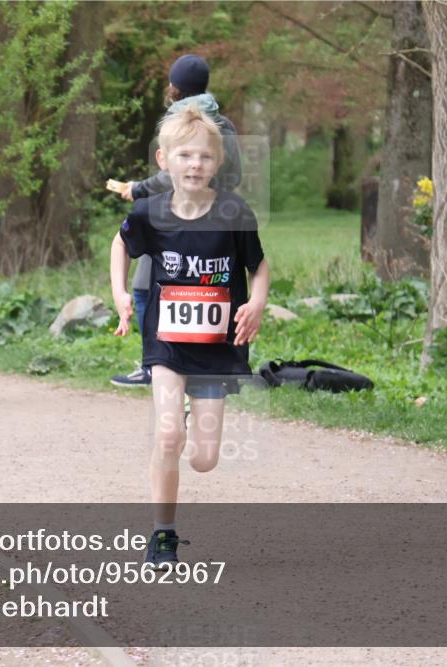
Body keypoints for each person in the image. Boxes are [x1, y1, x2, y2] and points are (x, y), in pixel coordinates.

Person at [110, 107, 269, 566]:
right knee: (165, 436)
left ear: (216, 164)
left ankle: (182, 421)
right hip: (167, 343)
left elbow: (258, 266)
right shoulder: (149, 212)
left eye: (203, 156)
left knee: (203, 459)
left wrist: (256, 301)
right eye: (184, 155)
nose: (194, 164)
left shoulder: (234, 212)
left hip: (216, 349)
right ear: (164, 160)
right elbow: (121, 244)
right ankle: (163, 533)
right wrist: (121, 292)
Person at [110, 53, 243, 388]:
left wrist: (138, 189)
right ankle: (203, 361)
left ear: (175, 87)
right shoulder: (224, 124)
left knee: (144, 287)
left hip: (172, 216)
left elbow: (170, 176)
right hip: (217, 219)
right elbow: (237, 174)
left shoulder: (176, 121)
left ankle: (154, 363)